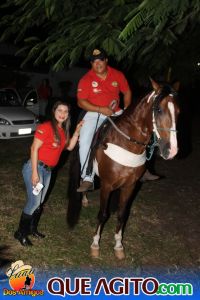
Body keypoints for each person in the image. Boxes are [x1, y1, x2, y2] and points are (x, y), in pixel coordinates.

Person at [14, 100, 83, 247]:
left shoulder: (63, 131)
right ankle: (21, 232)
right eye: (60, 110)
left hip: (48, 171)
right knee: (33, 203)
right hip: (36, 168)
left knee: (39, 203)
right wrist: (34, 173)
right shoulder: (45, 127)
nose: (62, 114)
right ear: (54, 111)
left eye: (65, 112)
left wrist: (77, 131)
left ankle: (32, 229)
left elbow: (70, 147)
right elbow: (34, 149)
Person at [76, 49, 132, 192]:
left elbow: (127, 92)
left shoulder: (117, 75)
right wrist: (101, 109)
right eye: (94, 61)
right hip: (94, 113)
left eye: (101, 60)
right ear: (91, 64)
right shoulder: (86, 79)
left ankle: (142, 166)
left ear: (106, 60)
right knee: (85, 141)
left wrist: (126, 110)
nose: (98, 63)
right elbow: (81, 102)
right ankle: (87, 177)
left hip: (117, 112)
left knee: (136, 130)